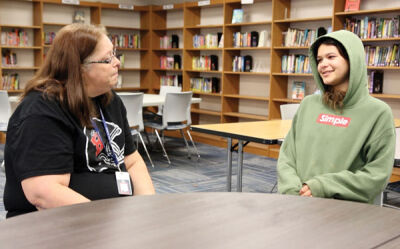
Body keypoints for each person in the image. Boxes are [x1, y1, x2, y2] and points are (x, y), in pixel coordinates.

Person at [3, 23, 155, 218]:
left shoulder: (109, 100)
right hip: (60, 226)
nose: (117, 62)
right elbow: (44, 194)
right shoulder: (41, 111)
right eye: (108, 59)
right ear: (80, 68)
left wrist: (147, 209)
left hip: (114, 218)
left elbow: (132, 161)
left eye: (115, 54)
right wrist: (106, 223)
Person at [277, 30, 395, 203]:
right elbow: (287, 156)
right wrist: (292, 191)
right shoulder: (308, 104)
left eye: (331, 57)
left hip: (345, 213)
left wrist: (321, 187)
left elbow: (376, 176)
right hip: (298, 203)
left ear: (351, 60)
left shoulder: (378, 112)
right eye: (319, 60)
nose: (323, 64)